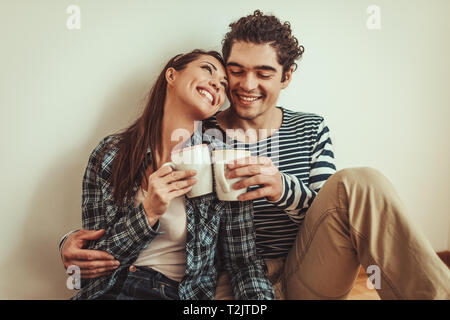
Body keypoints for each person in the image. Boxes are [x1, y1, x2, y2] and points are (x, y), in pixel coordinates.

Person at [61, 11, 450, 299]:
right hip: (223, 279)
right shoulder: (203, 137)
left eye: (263, 73)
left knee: (360, 181)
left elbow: (334, 213)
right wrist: (71, 241)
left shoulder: (309, 128)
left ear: (286, 76)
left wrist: (282, 188)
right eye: (235, 71)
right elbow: (106, 234)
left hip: (303, 269)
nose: (245, 85)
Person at [64, 49, 274, 300]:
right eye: (208, 69)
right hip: (112, 290)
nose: (217, 85)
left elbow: (243, 262)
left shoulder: (223, 160)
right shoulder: (110, 154)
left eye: (223, 85)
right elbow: (95, 263)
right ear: (171, 75)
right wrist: (148, 212)